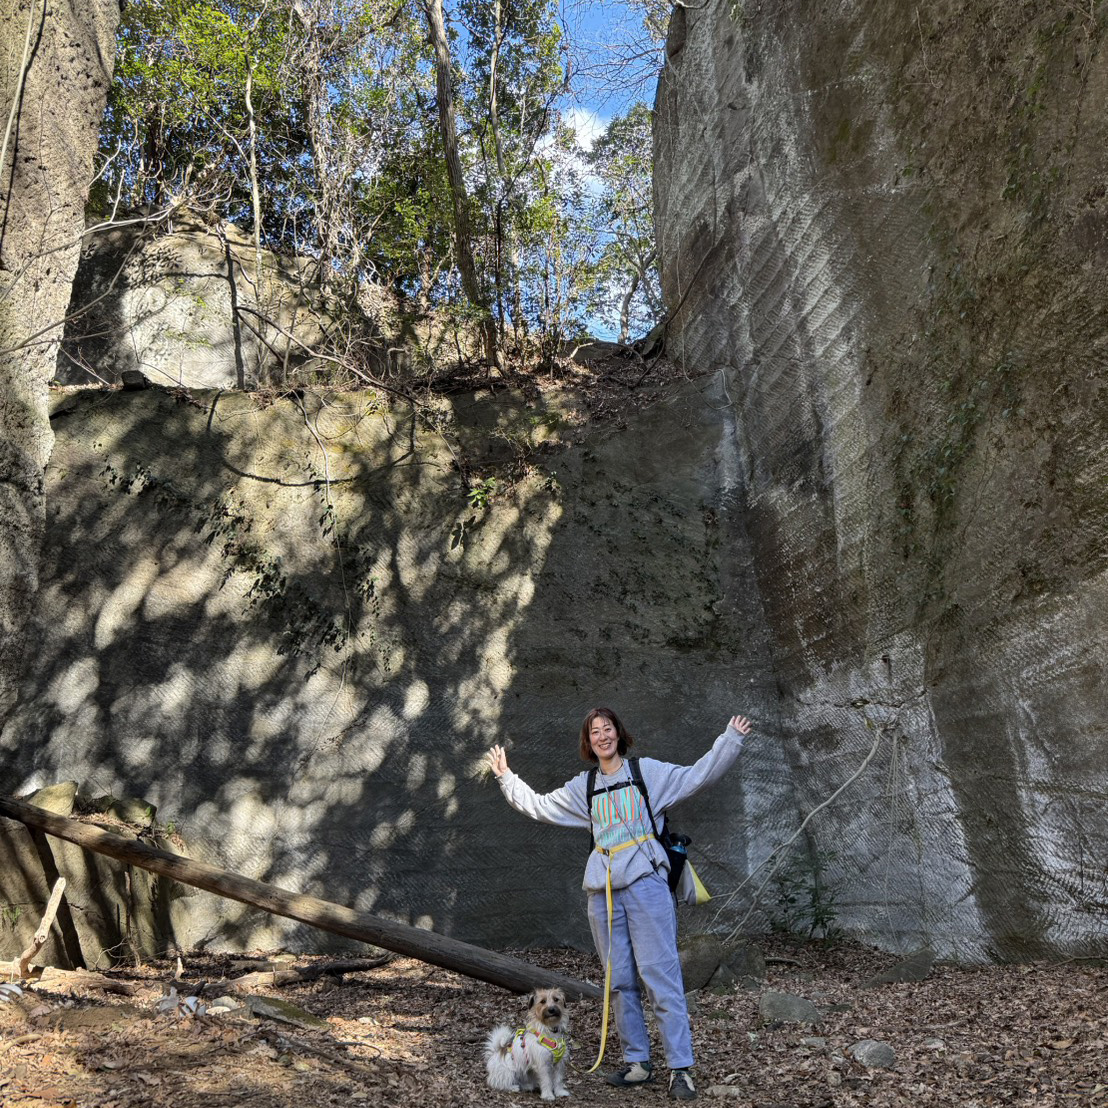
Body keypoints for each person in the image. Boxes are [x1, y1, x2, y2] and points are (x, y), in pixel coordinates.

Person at [487, 707, 754, 1102]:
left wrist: (729, 740)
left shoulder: (648, 774)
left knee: (660, 975)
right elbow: (542, 806)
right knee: (619, 980)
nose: (602, 736)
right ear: (588, 741)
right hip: (603, 893)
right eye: (594, 731)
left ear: (619, 733)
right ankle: (638, 1064)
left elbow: (698, 775)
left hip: (647, 886)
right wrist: (507, 779)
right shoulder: (586, 787)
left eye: (607, 728)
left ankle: (680, 1069)